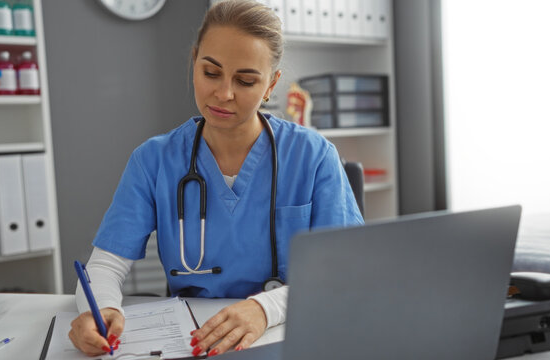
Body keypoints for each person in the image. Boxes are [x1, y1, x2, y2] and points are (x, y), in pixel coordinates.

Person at [68, 0, 363, 357]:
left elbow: (345, 272)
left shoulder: (313, 156)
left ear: (271, 85)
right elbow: (106, 265)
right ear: (194, 62)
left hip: (291, 333)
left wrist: (263, 309)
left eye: (246, 80)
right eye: (211, 73)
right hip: (196, 340)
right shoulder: (154, 160)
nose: (224, 93)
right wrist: (100, 310)